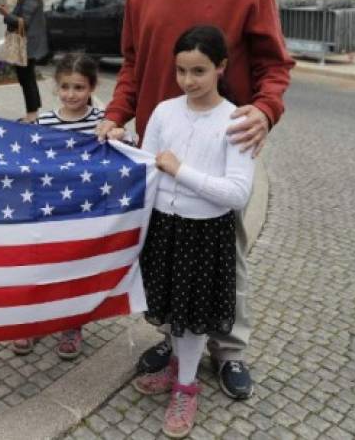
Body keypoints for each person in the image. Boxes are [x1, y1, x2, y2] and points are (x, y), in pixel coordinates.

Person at [96, 0, 294, 400]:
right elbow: (133, 63)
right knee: (163, 246)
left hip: (222, 136)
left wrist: (266, 110)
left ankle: (229, 349)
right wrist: (117, 113)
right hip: (158, 143)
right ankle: (175, 332)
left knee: (226, 252)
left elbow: (276, 64)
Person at [132, 25, 254, 437]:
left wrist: (180, 170)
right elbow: (146, 168)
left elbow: (236, 193)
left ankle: (187, 387)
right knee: (170, 308)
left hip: (204, 233)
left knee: (194, 317)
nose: (188, 81)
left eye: (199, 71)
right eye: (181, 71)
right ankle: (175, 368)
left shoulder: (236, 120)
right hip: (165, 228)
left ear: (221, 66)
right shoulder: (165, 112)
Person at [11, 52, 103, 360]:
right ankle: (34, 321)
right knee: (41, 268)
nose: (71, 94)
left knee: (75, 271)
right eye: (65, 87)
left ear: (92, 87)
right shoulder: (43, 121)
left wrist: (120, 136)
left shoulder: (101, 124)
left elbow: (124, 157)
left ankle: (71, 325)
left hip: (83, 213)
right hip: (46, 213)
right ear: (56, 87)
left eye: (79, 88)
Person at [0, 0, 48, 124]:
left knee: (26, 80)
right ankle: (34, 111)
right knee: (28, 78)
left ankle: (32, 115)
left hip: (27, 46)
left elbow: (23, 22)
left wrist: (5, 14)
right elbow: (18, 19)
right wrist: (8, 14)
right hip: (28, 45)